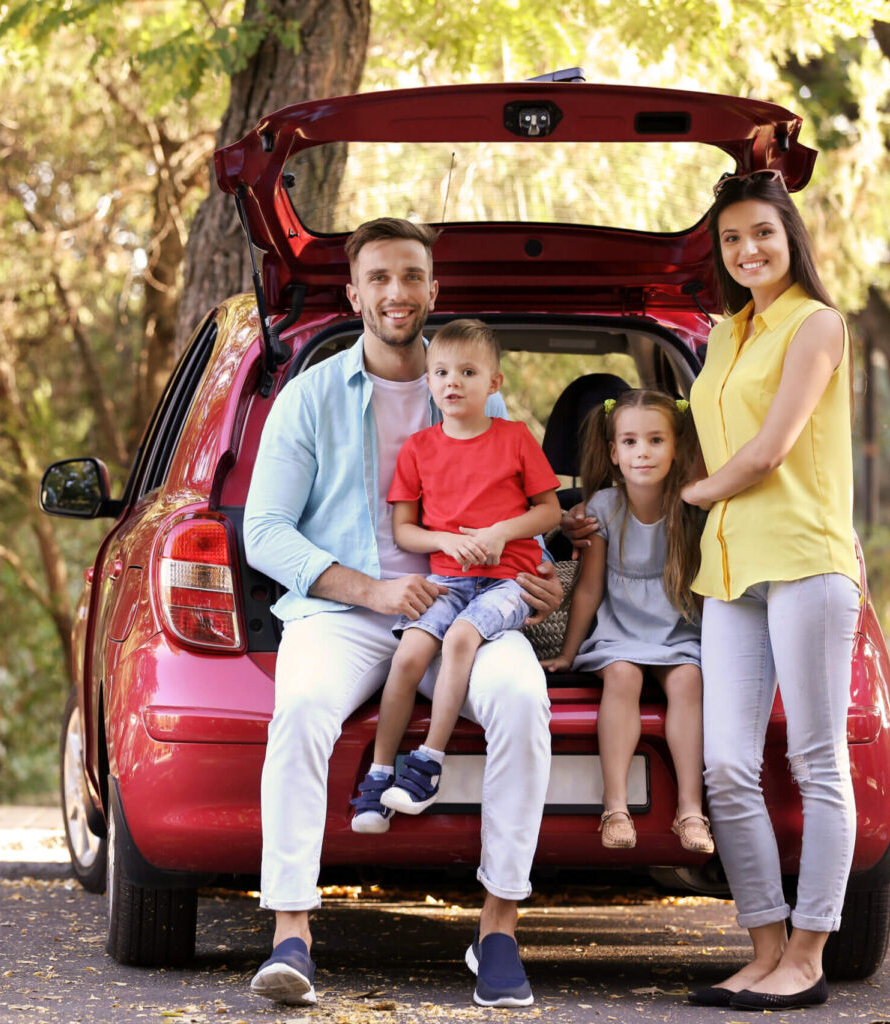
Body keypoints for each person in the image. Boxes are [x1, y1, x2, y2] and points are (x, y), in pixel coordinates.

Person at [243, 218, 564, 1009]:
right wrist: (368, 588)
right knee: (302, 710)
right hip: (347, 612)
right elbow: (263, 532)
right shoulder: (309, 397)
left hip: (469, 607)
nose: (396, 292)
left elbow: (518, 508)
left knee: (523, 704)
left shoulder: (470, 388)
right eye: (379, 278)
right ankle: (292, 934)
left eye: (411, 276)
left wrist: (542, 579)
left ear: (432, 290)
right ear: (354, 294)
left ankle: (496, 931)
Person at [682, 169, 861, 1011]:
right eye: (730, 239)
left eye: (760, 232)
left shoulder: (816, 324)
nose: (747, 249)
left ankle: (810, 951)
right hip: (728, 569)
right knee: (724, 766)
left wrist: (686, 496)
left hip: (803, 560)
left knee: (817, 760)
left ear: (789, 237)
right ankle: (763, 948)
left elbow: (767, 450)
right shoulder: (724, 335)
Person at [349, 319, 561, 826]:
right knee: (409, 656)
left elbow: (549, 512)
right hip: (448, 579)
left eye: (468, 372)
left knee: (462, 638)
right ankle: (380, 775)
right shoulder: (419, 449)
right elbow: (404, 529)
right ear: (428, 380)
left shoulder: (513, 438)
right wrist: (444, 539)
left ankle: (428, 762)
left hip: (509, 580)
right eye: (441, 371)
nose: (453, 382)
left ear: (493, 383)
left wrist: (500, 532)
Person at [541, 389, 712, 855]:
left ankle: (691, 810)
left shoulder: (691, 507)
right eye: (631, 442)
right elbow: (590, 590)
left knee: (688, 682)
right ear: (614, 453)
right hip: (619, 633)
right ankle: (615, 806)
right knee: (621, 676)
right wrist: (569, 654)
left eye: (656, 440)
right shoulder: (601, 508)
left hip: (676, 632)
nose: (643, 452)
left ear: (677, 448)